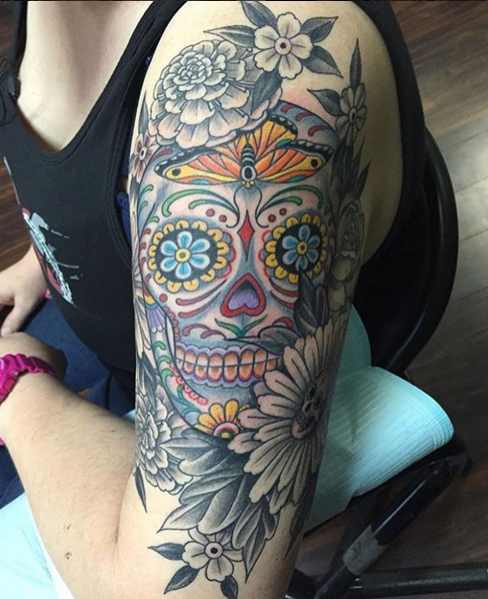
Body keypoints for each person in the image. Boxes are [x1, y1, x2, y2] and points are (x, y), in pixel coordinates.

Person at [0, 2, 424, 598]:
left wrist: (14, 382)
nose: (245, 303)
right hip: (111, 330)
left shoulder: (254, 61)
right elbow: (78, 167)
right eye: (191, 249)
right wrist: (40, 254)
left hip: (191, 396)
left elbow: (178, 589)